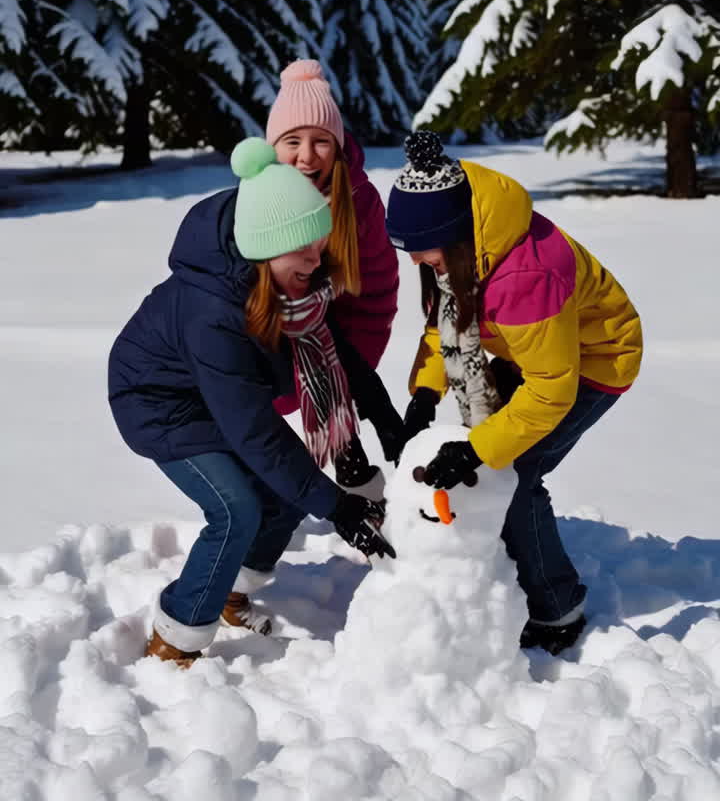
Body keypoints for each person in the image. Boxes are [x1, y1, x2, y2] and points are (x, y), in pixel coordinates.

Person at [109, 138, 398, 667]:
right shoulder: (214, 315)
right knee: (235, 508)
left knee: (286, 494)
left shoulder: (290, 283)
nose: (317, 258)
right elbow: (255, 432)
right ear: (265, 248)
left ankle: (229, 592)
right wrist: (338, 507)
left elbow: (335, 351)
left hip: (212, 396)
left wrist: (386, 417)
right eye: (303, 248)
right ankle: (176, 635)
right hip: (157, 403)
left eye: (320, 242)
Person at [386, 131, 643, 655]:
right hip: (531, 350)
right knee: (491, 458)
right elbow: (445, 324)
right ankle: (506, 553)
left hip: (595, 361)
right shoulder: (465, 241)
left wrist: (480, 449)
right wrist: (425, 392)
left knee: (517, 472)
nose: (414, 262)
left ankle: (557, 608)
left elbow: (551, 391)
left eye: (421, 249)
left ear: (453, 236)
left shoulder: (525, 276)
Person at [267, 59, 400, 491]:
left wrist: (356, 364)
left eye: (320, 141)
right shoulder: (260, 200)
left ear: (337, 145)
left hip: (336, 335)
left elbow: (377, 284)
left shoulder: (357, 199)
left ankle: (369, 487)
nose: (307, 156)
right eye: (293, 141)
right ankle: (276, 496)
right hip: (270, 330)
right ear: (274, 146)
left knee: (348, 384)